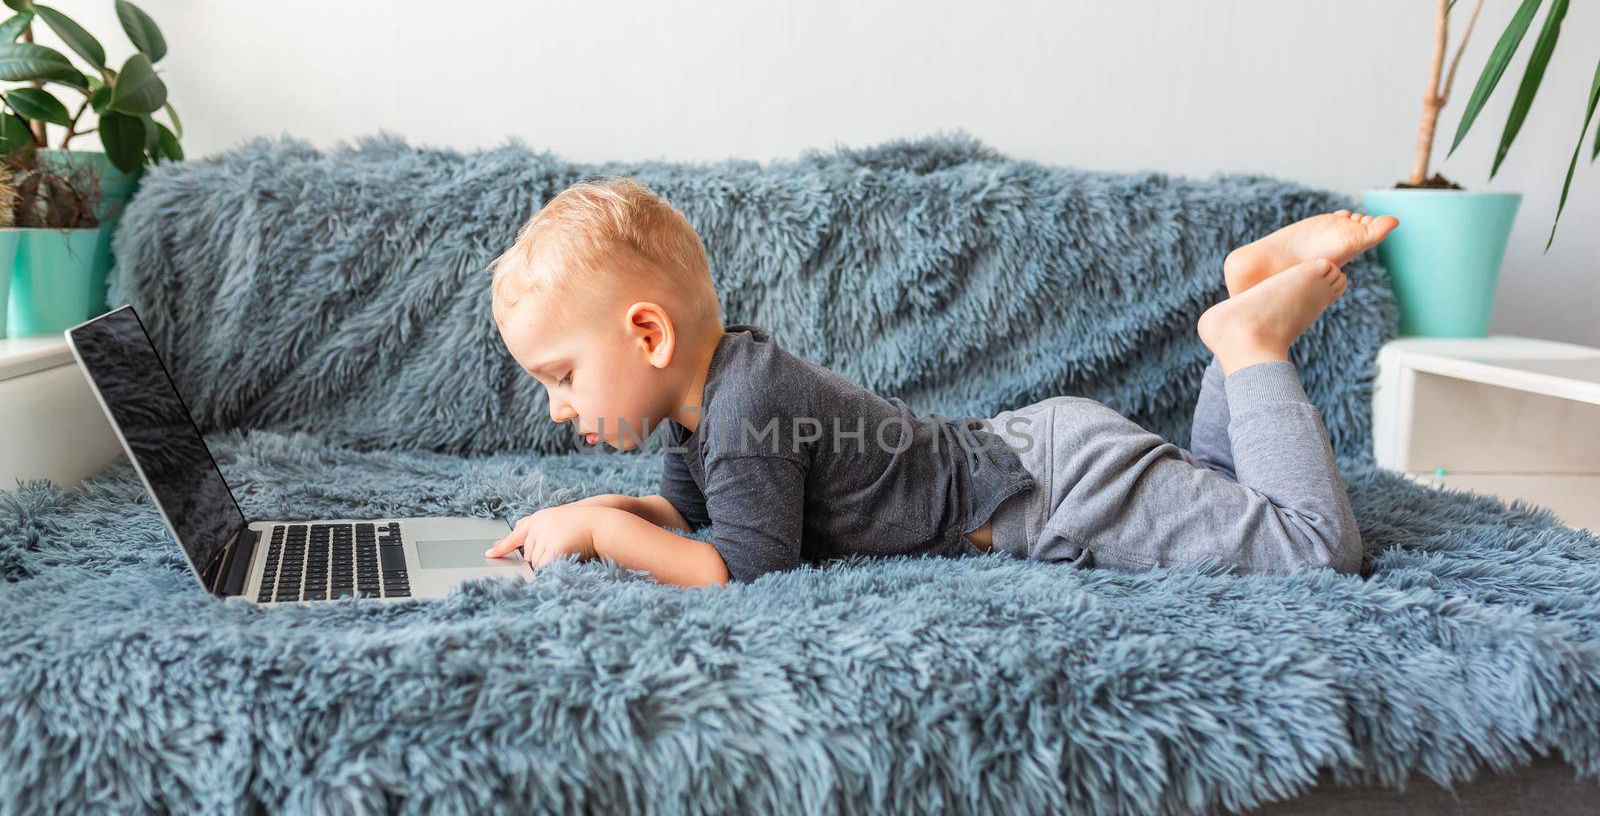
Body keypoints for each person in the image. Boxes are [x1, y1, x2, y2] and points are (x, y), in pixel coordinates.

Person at [483, 177, 1396, 587]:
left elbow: (735, 570)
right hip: (1041, 453)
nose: (559, 407)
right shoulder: (709, 401)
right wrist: (599, 515)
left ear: (648, 334)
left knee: (1310, 552)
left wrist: (601, 531)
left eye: (561, 376)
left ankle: (1249, 342)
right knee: (1231, 494)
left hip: (1057, 495)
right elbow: (698, 522)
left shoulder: (746, 408)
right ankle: (1247, 302)